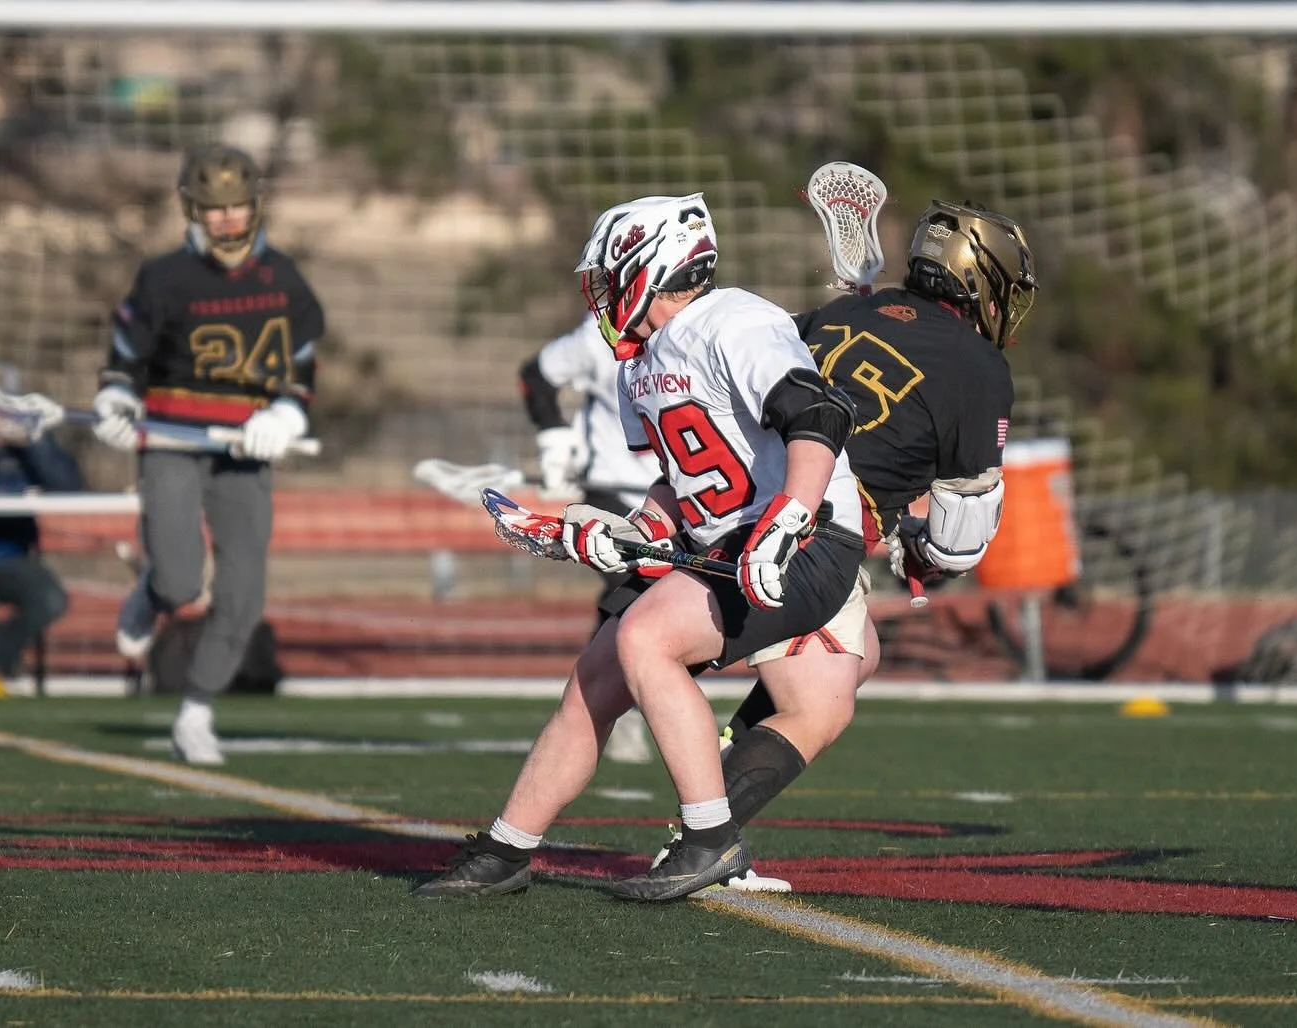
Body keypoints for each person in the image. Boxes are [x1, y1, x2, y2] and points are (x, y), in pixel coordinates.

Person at [414, 192, 866, 901]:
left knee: (645, 639)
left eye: (607, 275)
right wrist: (623, 533)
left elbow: (818, 413)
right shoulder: (639, 363)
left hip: (803, 541)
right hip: (727, 540)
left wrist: (788, 518)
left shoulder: (734, 320)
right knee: (596, 674)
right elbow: (683, 482)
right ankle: (507, 850)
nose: (599, 293)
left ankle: (710, 840)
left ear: (651, 266)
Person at [708, 198, 1032, 842]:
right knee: (820, 706)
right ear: (979, 278)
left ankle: (721, 754)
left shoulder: (846, 310)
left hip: (722, 498)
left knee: (863, 653)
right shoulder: (977, 365)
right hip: (803, 531)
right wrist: (923, 549)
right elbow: (959, 540)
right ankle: (703, 833)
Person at [91, 144, 324, 765]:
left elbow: (301, 361)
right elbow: (123, 356)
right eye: (213, 209)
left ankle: (196, 711)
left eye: (237, 206)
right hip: (172, 439)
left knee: (244, 590)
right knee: (179, 578)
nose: (226, 220)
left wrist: (289, 409)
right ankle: (153, 592)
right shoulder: (164, 277)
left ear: (255, 206)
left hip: (244, 448)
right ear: (193, 210)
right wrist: (116, 399)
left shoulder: (282, 278)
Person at [519, 313, 661, 763]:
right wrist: (555, 437)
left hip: (680, 498)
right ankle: (613, 709)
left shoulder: (706, 331)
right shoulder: (599, 334)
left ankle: (621, 702)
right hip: (613, 491)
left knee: (669, 604)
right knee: (634, 594)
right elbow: (535, 377)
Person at [0, 361, 81, 695]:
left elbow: (67, 484)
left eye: (7, 407)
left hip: (13, 559)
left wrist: (34, 442)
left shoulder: (31, 450)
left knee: (51, 598)